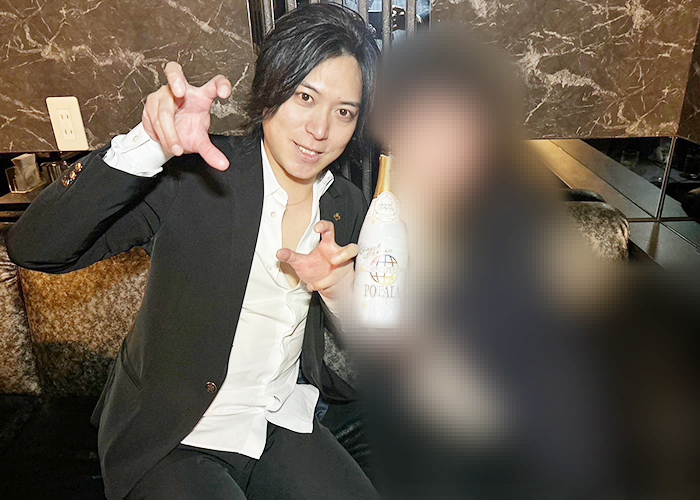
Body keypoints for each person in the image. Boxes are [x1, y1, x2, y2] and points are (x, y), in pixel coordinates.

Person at [6, 4, 380, 500]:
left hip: (278, 418)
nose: (320, 129)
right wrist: (148, 143)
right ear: (270, 88)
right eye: (304, 96)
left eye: (344, 111)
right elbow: (35, 247)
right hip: (175, 433)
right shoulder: (196, 176)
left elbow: (364, 353)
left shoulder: (346, 204)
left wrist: (339, 294)